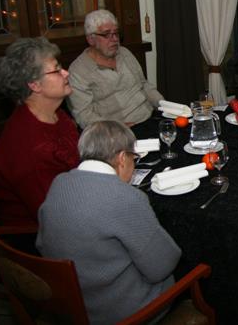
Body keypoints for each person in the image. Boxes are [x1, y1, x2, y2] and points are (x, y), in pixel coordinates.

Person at [37, 120, 182, 324]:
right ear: (122, 158)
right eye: (134, 158)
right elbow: (162, 266)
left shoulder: (59, 182)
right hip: (119, 313)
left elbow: (42, 244)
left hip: (70, 305)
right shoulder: (125, 197)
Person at [0, 37, 80, 227]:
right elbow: (55, 215)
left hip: (75, 197)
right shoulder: (30, 147)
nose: (66, 73)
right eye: (56, 70)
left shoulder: (54, 113)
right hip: (40, 233)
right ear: (34, 85)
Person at [67, 9, 164, 128]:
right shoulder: (78, 71)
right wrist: (116, 128)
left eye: (116, 33)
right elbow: (84, 115)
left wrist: (164, 105)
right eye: (106, 34)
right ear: (91, 39)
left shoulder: (125, 53)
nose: (114, 39)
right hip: (115, 131)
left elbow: (144, 85)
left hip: (150, 117)